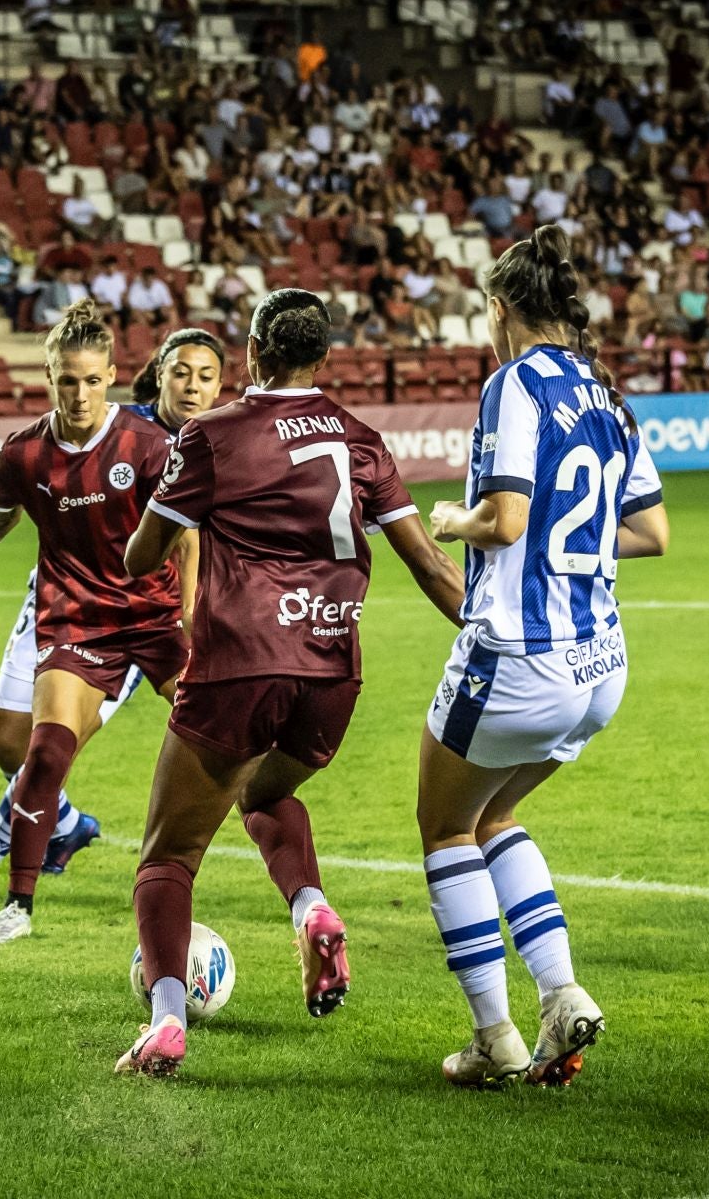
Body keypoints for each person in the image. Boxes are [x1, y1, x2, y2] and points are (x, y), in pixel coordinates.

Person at [114, 292, 467, 1077]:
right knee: (267, 795)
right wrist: (495, 640)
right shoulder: (361, 439)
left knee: (168, 856)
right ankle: (312, 910)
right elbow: (432, 565)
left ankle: (166, 1021)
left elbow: (143, 556)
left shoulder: (212, 434)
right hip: (334, 670)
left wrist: (170, 502)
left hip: (241, 664)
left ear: (250, 351)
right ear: (324, 359)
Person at [418, 225, 670, 1090]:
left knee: (446, 827)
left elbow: (506, 521)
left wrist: (450, 521)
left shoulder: (512, 384)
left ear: (500, 309)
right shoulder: (605, 391)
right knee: (495, 820)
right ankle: (561, 995)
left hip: (519, 657)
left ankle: (494, 1036)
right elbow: (653, 532)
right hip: (601, 664)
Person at [0, 302, 192, 944]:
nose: (78, 394)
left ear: (110, 375)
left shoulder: (149, 446)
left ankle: (301, 897)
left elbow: (188, 538)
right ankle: (18, 906)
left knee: (227, 738)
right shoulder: (24, 454)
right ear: (48, 377)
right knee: (43, 751)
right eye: (65, 380)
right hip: (74, 621)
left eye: (90, 379)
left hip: (155, 620)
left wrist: (192, 615)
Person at [0, 327, 230, 903]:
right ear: (157, 373)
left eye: (205, 377)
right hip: (57, 601)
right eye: (181, 373)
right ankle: (68, 824)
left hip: (138, 614)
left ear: (223, 384)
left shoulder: (222, 442)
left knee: (55, 744)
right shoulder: (126, 428)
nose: (192, 387)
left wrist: (192, 612)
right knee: (8, 742)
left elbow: (195, 542)